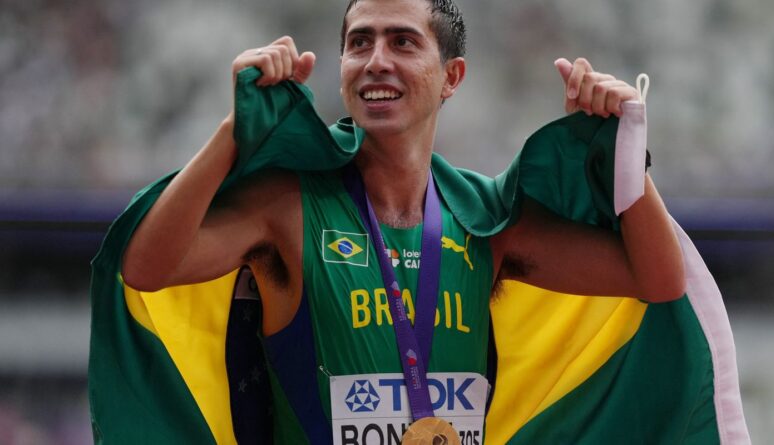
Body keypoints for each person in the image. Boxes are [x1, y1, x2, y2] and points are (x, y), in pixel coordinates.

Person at [120, 0, 685, 441]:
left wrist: (625, 155)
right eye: (359, 42)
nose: (376, 60)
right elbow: (146, 268)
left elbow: (658, 279)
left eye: (403, 41)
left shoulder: (486, 219)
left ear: (451, 76)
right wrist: (231, 135)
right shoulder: (287, 208)